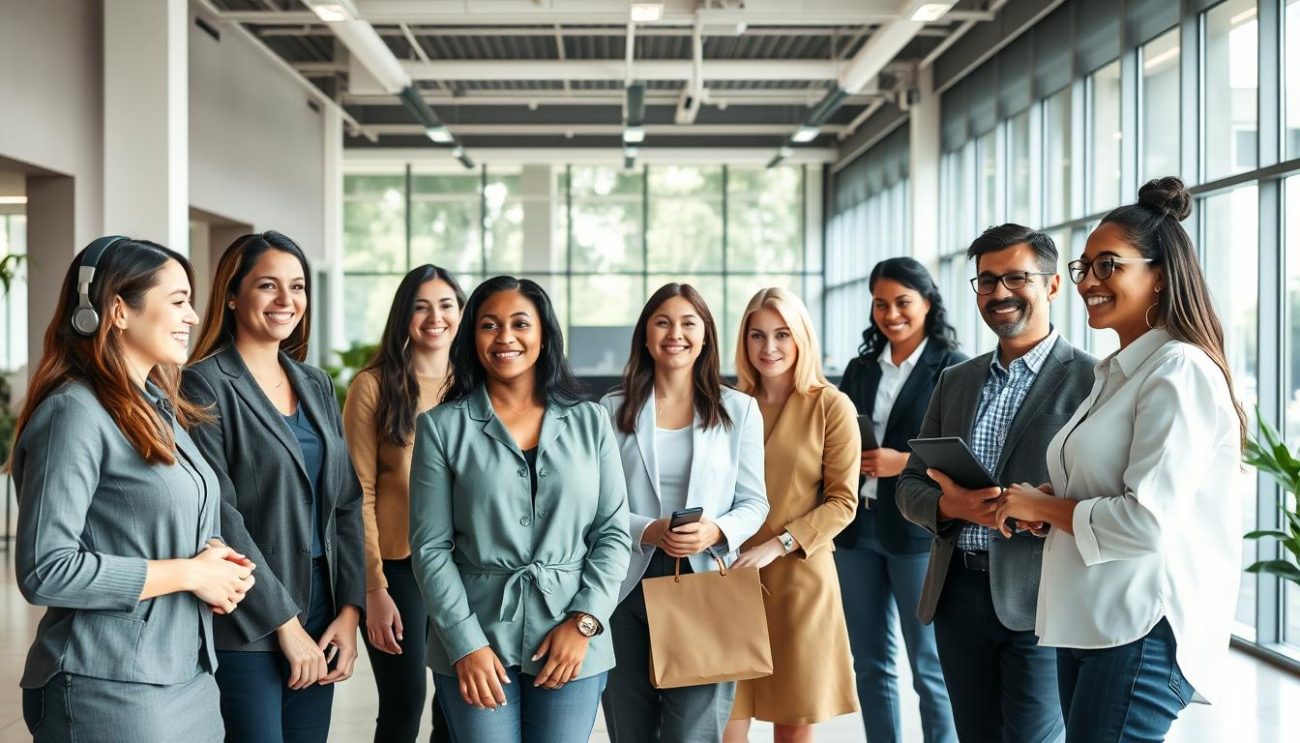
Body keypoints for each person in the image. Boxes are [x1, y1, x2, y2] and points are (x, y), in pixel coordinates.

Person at [995, 178, 1246, 741]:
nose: (1088, 282)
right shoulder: (1114, 373)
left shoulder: (1178, 371)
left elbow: (1146, 521)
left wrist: (1049, 507)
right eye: (1084, 268)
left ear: (1159, 274)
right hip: (1089, 620)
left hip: (1141, 627)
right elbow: (1101, 487)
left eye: (1108, 266)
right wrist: (1047, 506)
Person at [12, 236, 255, 742]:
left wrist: (216, 564)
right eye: (178, 300)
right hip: (110, 684)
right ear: (118, 310)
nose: (192, 316)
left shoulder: (157, 408)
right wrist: (189, 572)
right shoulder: (73, 413)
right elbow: (45, 569)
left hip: (188, 672)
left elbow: (158, 521)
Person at [408, 276, 631, 743]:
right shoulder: (442, 428)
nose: (505, 337)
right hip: (477, 639)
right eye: (489, 325)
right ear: (472, 337)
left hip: (572, 640)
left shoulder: (590, 421)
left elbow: (612, 533)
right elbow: (430, 547)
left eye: (520, 323)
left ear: (544, 334)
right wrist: (465, 643)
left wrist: (584, 622)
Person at [895, 224, 1095, 743]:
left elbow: (1103, 496)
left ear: (1052, 286)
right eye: (987, 281)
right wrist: (951, 506)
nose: (1000, 292)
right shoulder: (956, 380)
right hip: (956, 593)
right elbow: (909, 486)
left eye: (1016, 278)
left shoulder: (1093, 380)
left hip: (1040, 601)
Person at [183, 231, 366, 743]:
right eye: (268, 285)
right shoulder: (203, 384)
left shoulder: (316, 384)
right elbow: (219, 514)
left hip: (323, 609)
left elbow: (346, 503)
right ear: (233, 295)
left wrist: (348, 614)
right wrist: (285, 623)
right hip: (249, 615)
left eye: (298, 286)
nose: (287, 301)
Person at [600, 283, 769, 743]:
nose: (676, 333)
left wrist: (717, 529)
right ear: (646, 335)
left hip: (705, 584)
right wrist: (647, 530)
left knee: (693, 732)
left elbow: (755, 502)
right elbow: (595, 507)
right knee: (628, 728)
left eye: (688, 322)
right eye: (663, 322)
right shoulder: (610, 410)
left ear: (706, 335)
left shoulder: (740, 410)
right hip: (623, 586)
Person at [835, 258, 963, 743]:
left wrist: (901, 463)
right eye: (881, 304)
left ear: (928, 302)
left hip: (916, 533)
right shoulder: (861, 368)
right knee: (869, 663)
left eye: (903, 302)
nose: (891, 314)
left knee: (929, 664)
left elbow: (962, 449)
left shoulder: (954, 368)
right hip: (857, 530)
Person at [724, 287, 860, 743]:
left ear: (801, 337)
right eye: (757, 335)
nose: (769, 348)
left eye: (782, 334)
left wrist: (776, 545)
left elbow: (844, 502)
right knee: (724, 719)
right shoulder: (726, 406)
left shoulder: (830, 405)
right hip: (731, 577)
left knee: (794, 722)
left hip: (801, 577)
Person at [343, 265, 464, 743]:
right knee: (404, 702)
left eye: (446, 305)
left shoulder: (478, 384)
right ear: (403, 316)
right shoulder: (373, 386)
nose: (435, 317)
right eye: (421, 306)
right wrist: (373, 588)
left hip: (468, 566)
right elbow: (357, 493)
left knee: (458, 703)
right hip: (400, 568)